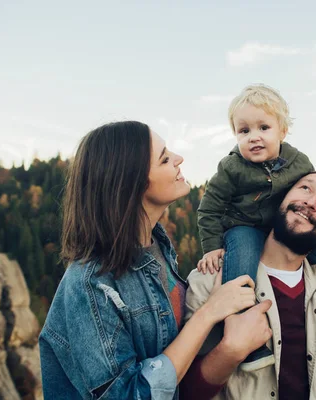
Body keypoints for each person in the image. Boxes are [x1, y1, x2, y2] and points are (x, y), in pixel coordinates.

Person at [39, 121, 259, 400]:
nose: (179, 159)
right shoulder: (91, 284)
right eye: (165, 159)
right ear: (132, 182)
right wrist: (209, 313)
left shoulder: (157, 248)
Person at [197, 84, 316, 370]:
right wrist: (211, 246)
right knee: (241, 263)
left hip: (285, 228)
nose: (254, 137)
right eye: (244, 131)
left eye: (264, 127)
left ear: (283, 132)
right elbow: (209, 208)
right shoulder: (231, 168)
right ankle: (243, 331)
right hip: (243, 226)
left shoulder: (299, 163)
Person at [183, 171, 316, 399]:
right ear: (281, 200)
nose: (311, 202)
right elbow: (181, 390)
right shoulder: (209, 282)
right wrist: (230, 351)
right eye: (305, 188)